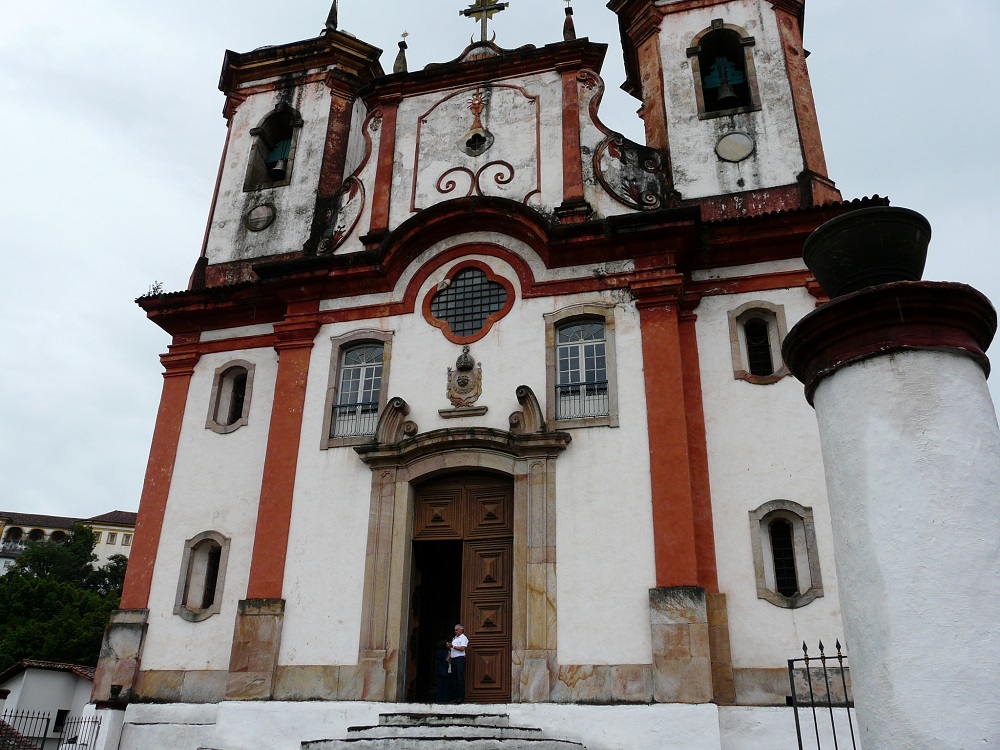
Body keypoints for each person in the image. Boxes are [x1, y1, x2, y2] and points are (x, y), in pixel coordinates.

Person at [449, 623, 468, 703]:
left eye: (457, 630)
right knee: (454, 679)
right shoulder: (454, 638)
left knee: (460, 678)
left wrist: (453, 646)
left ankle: (460, 697)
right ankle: (455, 697)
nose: (455, 631)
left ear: (461, 630)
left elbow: (463, 648)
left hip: (460, 659)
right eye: (455, 630)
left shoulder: (463, 638)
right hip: (453, 660)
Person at [434, 638, 451, 703]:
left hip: (439, 669)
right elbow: (447, 659)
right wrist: (450, 652)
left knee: (439, 685)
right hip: (444, 670)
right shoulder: (443, 652)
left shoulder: (437, 651)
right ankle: (444, 700)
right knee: (445, 685)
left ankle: (439, 699)